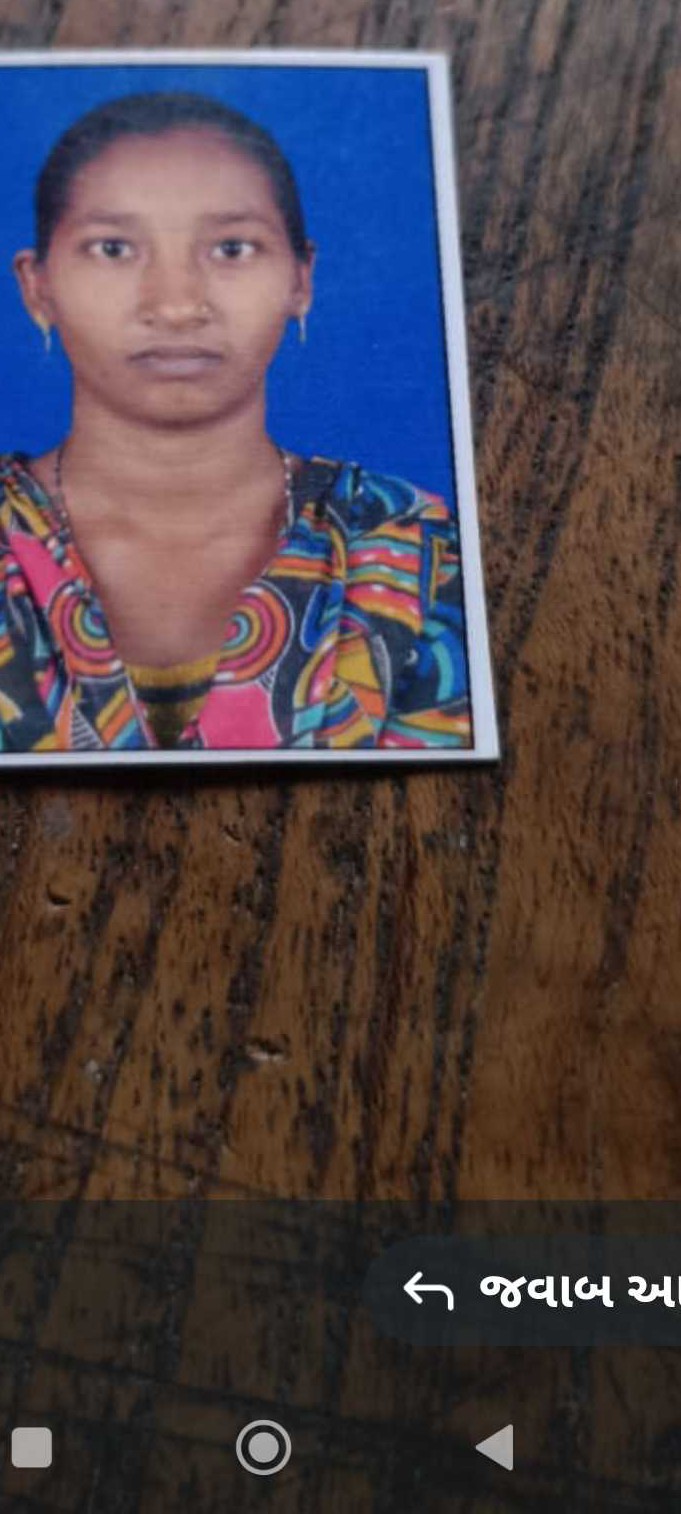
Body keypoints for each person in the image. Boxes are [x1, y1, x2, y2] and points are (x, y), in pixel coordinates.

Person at [0, 90, 471, 753]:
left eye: (231, 248)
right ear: (37, 286)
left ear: (300, 279)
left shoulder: (418, 546)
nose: (176, 305)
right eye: (113, 248)